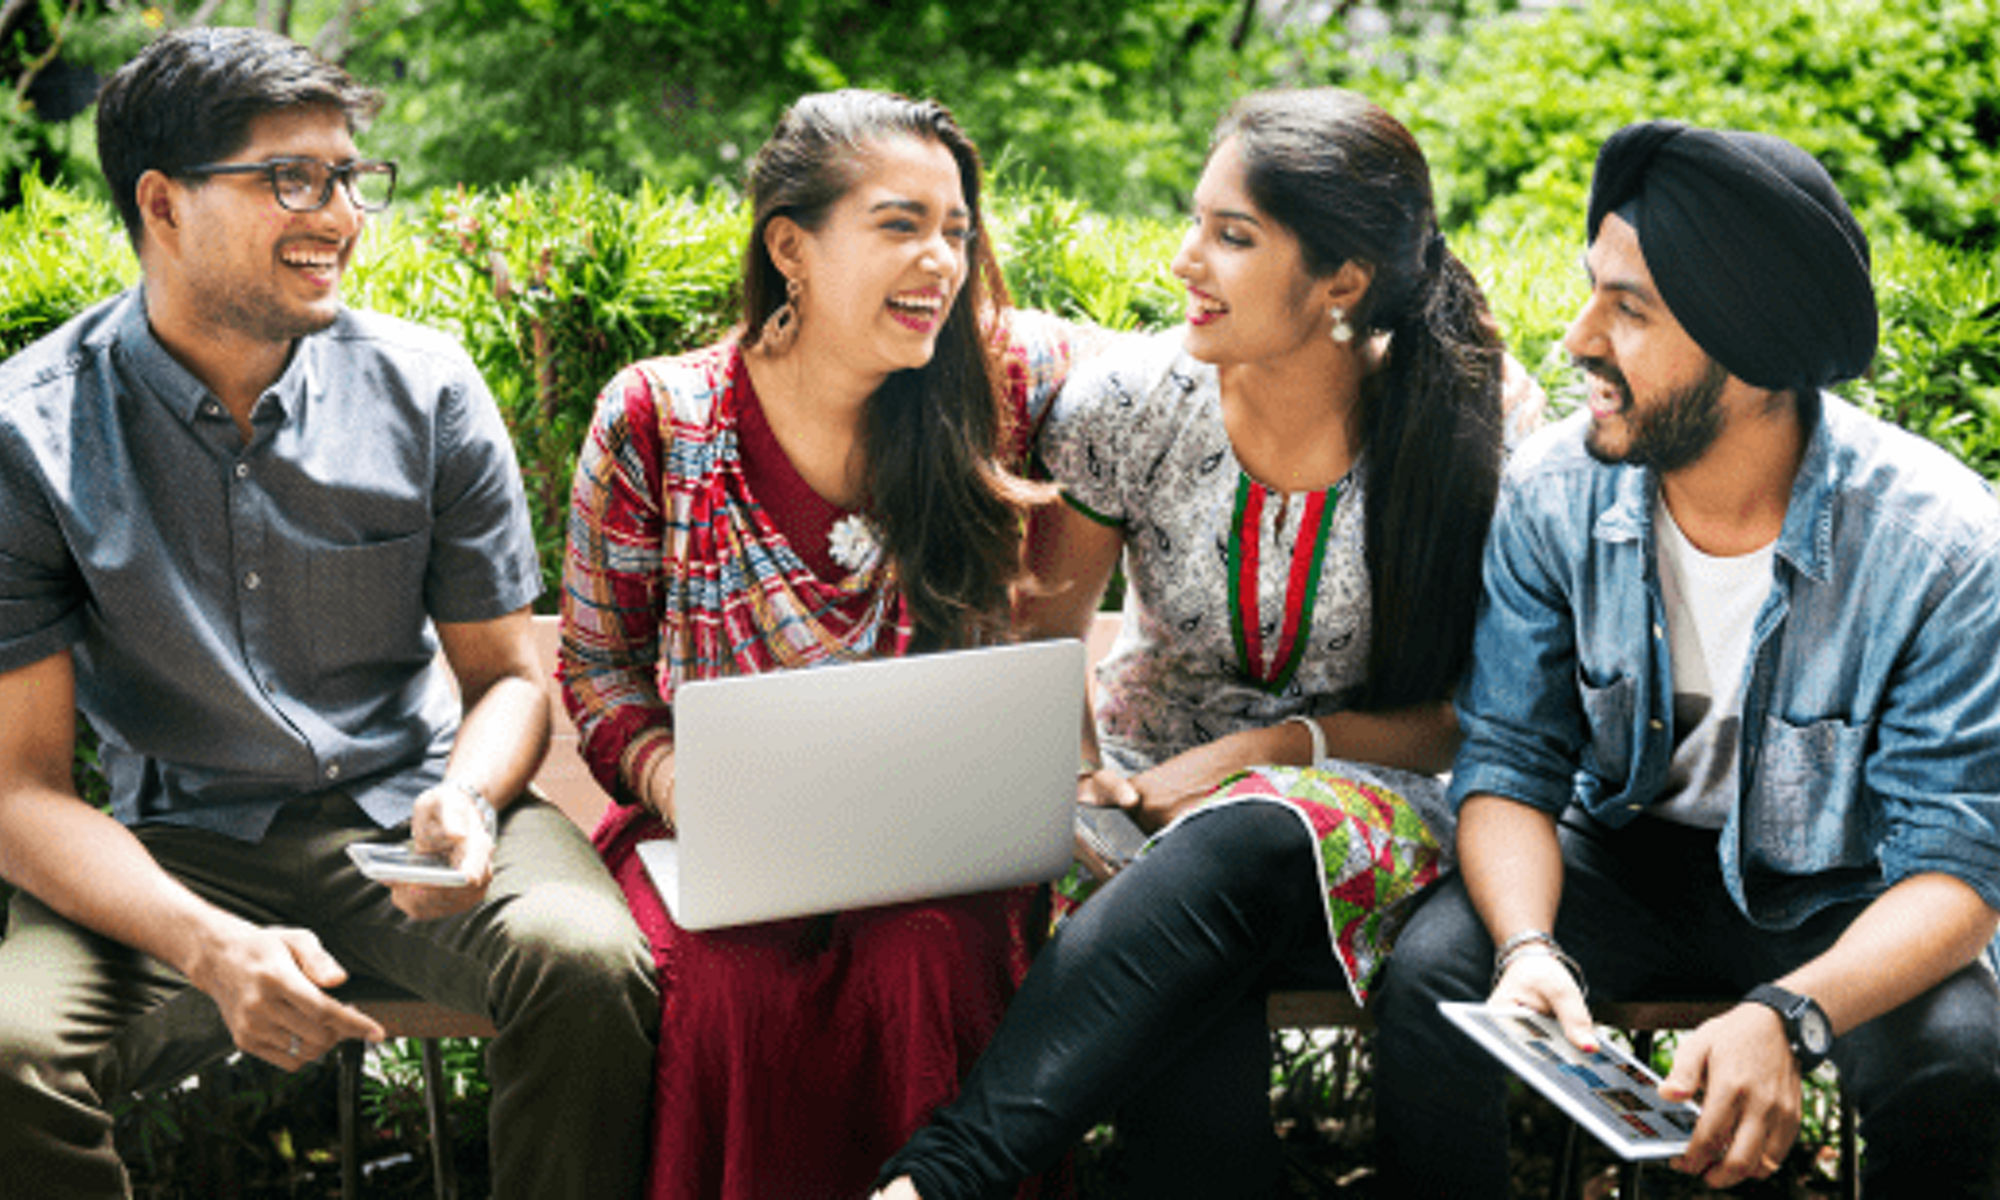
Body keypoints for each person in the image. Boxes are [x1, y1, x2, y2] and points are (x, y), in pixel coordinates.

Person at [0, 28, 658, 1200]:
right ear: (163, 202)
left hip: (417, 813)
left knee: (587, 962)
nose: (341, 214)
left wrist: (466, 796)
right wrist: (206, 945)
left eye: (352, 177)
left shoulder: (428, 387)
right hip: (177, 845)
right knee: (12, 1058)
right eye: (291, 178)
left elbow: (508, 678)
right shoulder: (28, 433)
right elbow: (20, 792)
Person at [874, 87, 1541, 1200]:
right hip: (1139, 816)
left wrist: (1261, 754)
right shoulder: (1130, 405)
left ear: (1342, 282)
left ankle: (940, 1181)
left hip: (1367, 802)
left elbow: (1469, 718)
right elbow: (1045, 634)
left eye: (1231, 237)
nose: (1184, 258)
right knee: (1191, 1123)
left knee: (1242, 839)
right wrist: (1082, 781)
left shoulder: (1476, 426)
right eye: (1194, 221)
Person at [1371, 120, 2000, 1197]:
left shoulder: (1937, 544)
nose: (1576, 338)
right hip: (1618, 852)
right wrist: (1526, 946)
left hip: (1846, 886)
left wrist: (1786, 1013)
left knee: (1955, 1057)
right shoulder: (1553, 491)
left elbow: (1959, 863)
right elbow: (1510, 761)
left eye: (1629, 311)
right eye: (1592, 292)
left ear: (1753, 354)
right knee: (1438, 977)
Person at [558, 89, 1090, 1200]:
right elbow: (599, 671)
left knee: (927, 960)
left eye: (955, 229)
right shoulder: (658, 420)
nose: (940, 261)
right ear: (789, 246)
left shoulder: (1000, 389)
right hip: (710, 835)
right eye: (899, 225)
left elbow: (1201, 369)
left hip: (936, 847)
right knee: (729, 980)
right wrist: (681, 783)